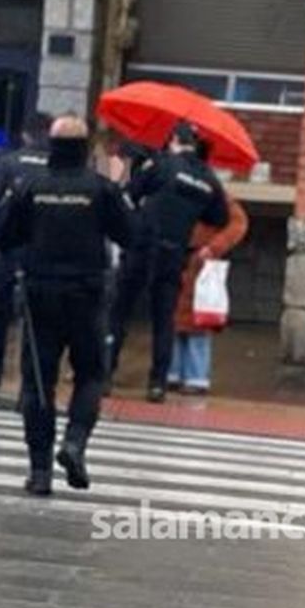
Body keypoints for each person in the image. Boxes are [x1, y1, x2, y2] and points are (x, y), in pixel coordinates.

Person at [0, 114, 132, 496]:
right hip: (87, 295)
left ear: (51, 146)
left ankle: (40, 472)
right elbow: (130, 234)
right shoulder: (101, 189)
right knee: (90, 374)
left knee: (39, 381)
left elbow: (2, 234)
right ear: (86, 148)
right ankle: (74, 443)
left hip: (40, 295)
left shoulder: (30, 187)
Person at [108, 123, 228, 403]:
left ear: (173, 140)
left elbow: (132, 193)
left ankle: (104, 375)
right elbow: (218, 217)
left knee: (119, 312)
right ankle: (157, 384)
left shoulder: (162, 164)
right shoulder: (209, 179)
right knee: (164, 321)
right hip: (174, 252)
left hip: (142, 246)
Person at [0, 114, 53, 388]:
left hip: (10, 249)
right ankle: (29, 374)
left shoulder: (9, 162)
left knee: (0, 311)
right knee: (37, 315)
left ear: (25, 135)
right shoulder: (56, 167)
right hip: (42, 251)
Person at [166, 178, 249, 395]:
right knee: (176, 320)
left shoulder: (215, 195)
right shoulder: (211, 193)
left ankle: (192, 376)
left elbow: (238, 222)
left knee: (196, 322)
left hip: (197, 260)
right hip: (184, 256)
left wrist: (213, 248)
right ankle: (177, 373)